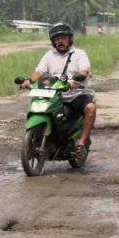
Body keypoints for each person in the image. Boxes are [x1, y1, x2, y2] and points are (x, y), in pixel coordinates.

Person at [22, 22, 96, 162]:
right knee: (40, 107)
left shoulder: (79, 54)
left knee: (91, 108)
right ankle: (42, 139)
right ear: (53, 41)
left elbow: (83, 71)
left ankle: (81, 142)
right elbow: (39, 72)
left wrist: (78, 80)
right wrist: (29, 81)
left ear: (70, 38)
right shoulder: (49, 55)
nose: (60, 41)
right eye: (57, 38)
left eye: (63, 37)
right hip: (54, 95)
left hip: (74, 96)